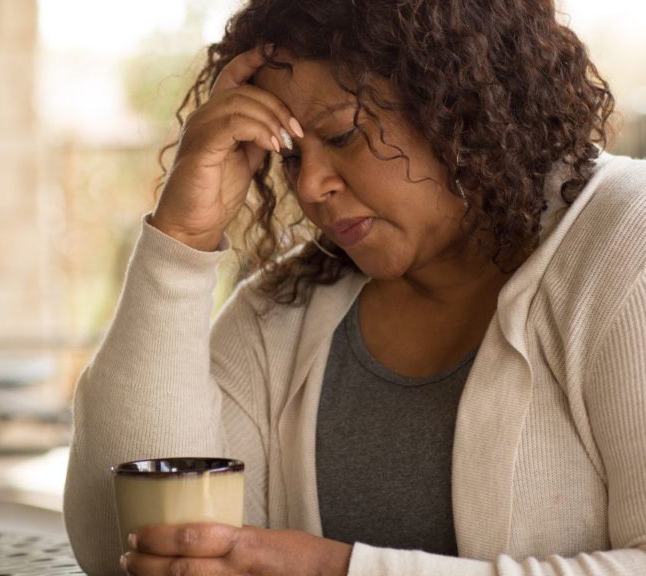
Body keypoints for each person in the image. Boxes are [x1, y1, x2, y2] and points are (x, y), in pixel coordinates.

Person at [63, 0, 646, 574]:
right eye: (289, 156)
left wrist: (334, 569)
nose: (311, 187)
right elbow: (119, 549)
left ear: (457, 102)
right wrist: (181, 243)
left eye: (341, 134)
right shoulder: (284, 311)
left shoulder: (625, 246)